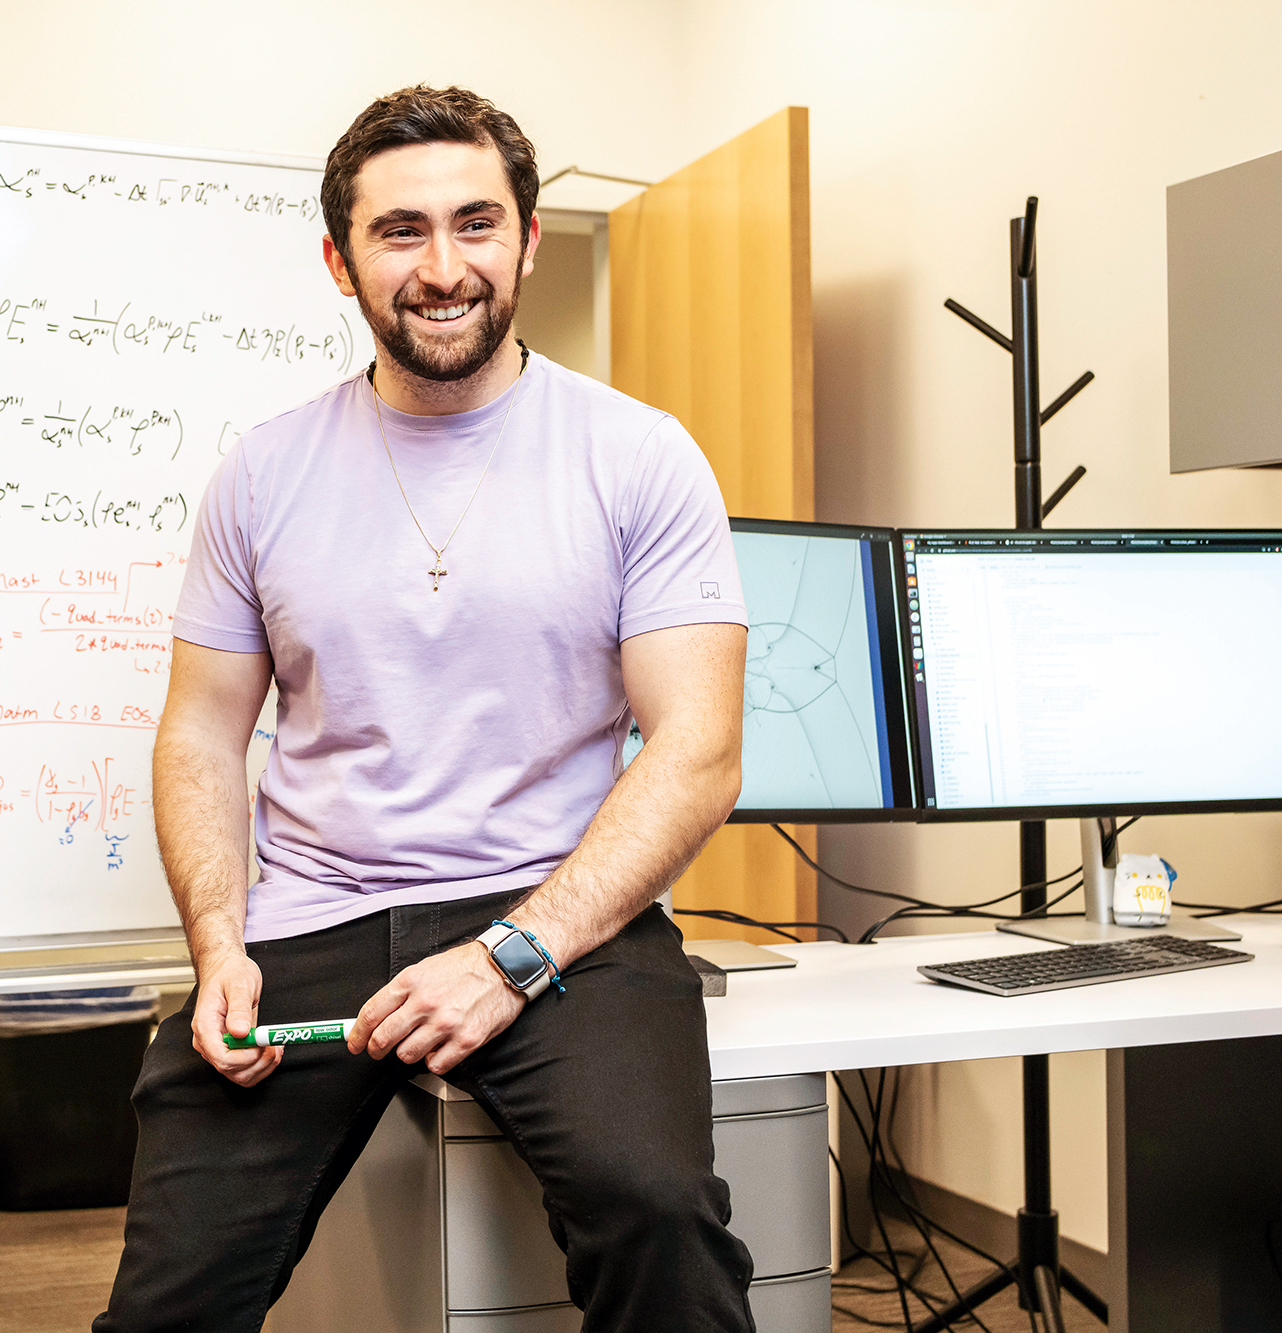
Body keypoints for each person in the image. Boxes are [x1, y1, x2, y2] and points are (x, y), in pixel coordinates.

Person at [97, 86, 754, 1332]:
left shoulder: (637, 455)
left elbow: (697, 747)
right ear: (340, 261)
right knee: (164, 1304)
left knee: (656, 1213)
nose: (442, 268)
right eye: (400, 233)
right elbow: (198, 730)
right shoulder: (265, 471)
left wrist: (513, 953)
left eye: (475, 223)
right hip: (310, 917)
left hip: (557, 915)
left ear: (527, 239)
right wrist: (218, 947)